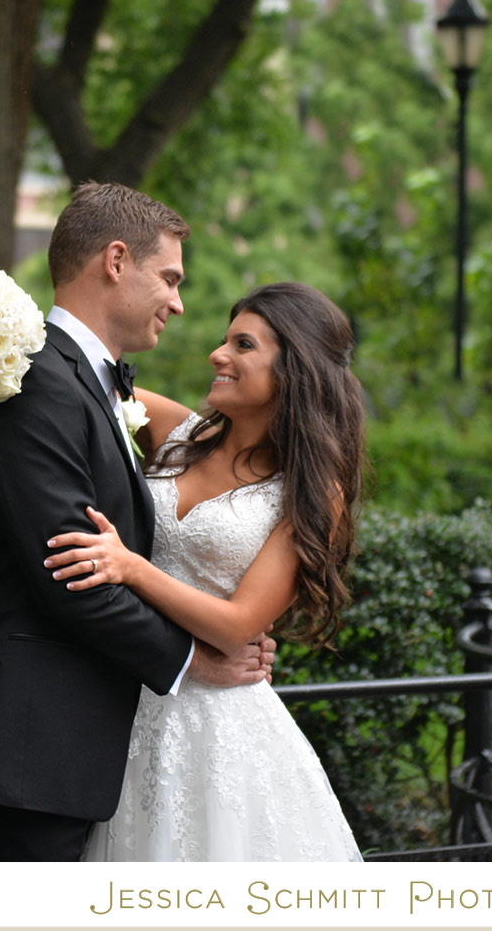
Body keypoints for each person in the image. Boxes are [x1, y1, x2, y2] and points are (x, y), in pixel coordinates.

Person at [0, 182, 278, 862]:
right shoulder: (31, 379)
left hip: (59, 753)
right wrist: (194, 658)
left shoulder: (87, 380)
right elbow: (73, 570)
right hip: (19, 752)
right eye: (169, 278)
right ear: (117, 260)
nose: (178, 301)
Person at [42, 281, 366, 861]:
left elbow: (239, 625)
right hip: (127, 695)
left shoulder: (312, 492)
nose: (218, 355)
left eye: (242, 345)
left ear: (295, 371)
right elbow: (81, 386)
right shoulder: (175, 433)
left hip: (219, 723)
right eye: (224, 339)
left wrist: (132, 569)